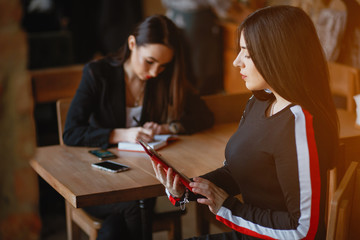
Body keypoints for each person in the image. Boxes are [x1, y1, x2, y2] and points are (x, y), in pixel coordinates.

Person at [152, 5, 339, 240]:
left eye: (246, 53)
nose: (236, 62)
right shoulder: (260, 101)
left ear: (276, 55)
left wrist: (228, 207)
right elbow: (240, 170)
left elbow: (304, 230)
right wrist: (187, 189)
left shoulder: (298, 124)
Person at [63, 14, 214, 240]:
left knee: (115, 229)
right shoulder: (98, 74)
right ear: (132, 44)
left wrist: (167, 127)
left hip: (141, 180)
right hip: (100, 181)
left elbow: (204, 116)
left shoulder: (163, 79)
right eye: (149, 61)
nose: (154, 72)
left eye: (163, 66)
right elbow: (71, 132)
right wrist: (121, 133)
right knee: (135, 207)